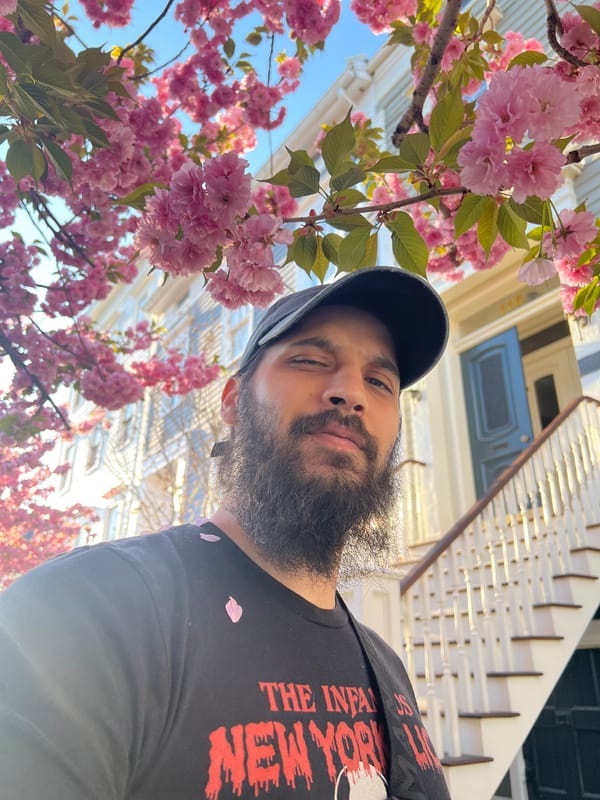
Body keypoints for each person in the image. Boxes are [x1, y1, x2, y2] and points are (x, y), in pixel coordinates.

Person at [0, 266, 451, 800]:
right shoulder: (88, 611)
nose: (350, 393)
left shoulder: (385, 665)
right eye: (310, 360)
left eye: (380, 382)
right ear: (234, 401)